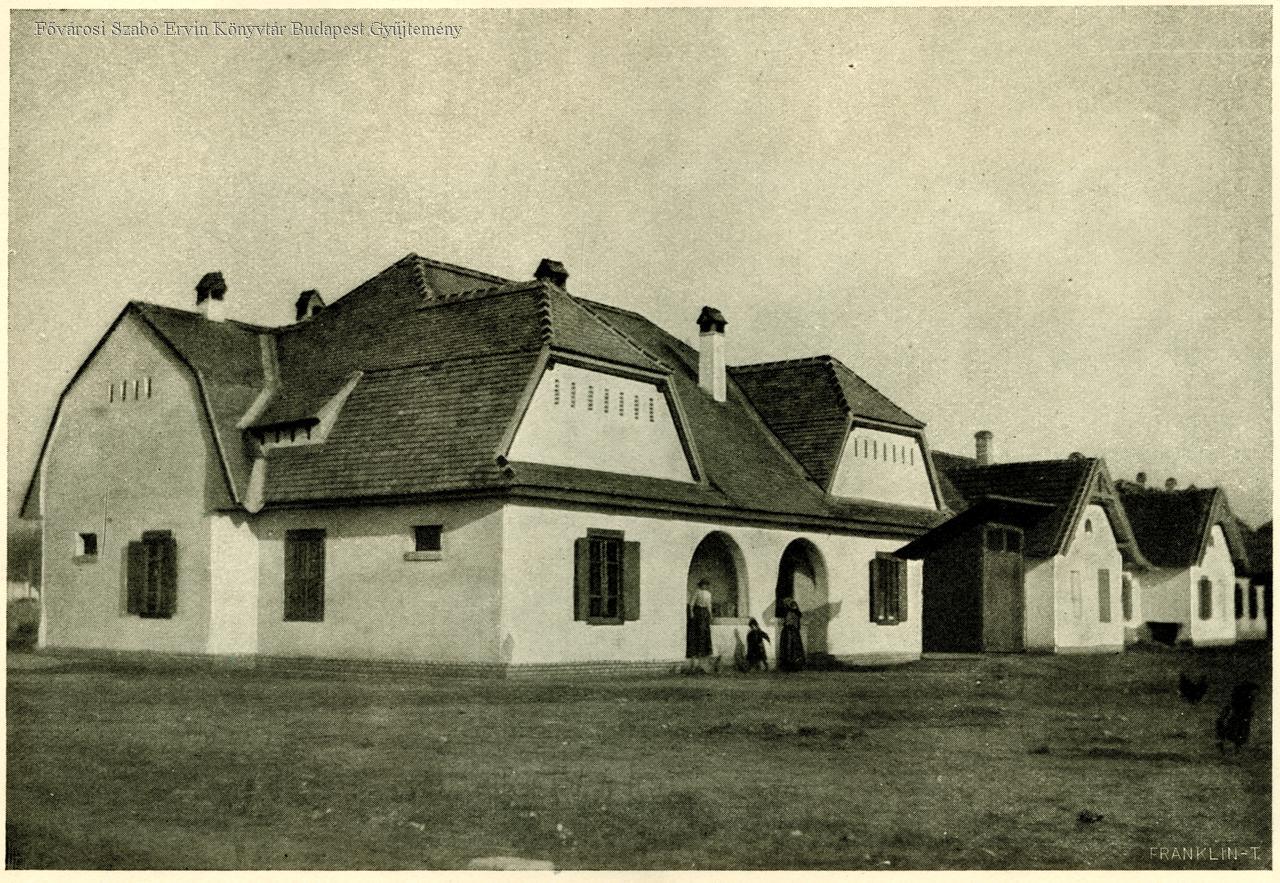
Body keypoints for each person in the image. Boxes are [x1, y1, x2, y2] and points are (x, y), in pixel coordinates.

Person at [687, 579, 714, 658]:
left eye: (706, 585)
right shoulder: (697, 592)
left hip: (705, 613)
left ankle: (704, 652)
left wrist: (711, 615)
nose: (704, 586)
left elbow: (709, 605)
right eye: (703, 584)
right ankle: (695, 652)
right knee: (697, 631)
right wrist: (691, 613)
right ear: (700, 585)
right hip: (697, 612)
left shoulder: (708, 594)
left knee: (704, 631)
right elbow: (692, 603)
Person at [778, 596, 805, 672]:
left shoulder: (796, 613)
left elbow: (795, 622)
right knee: (788, 648)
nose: (794, 607)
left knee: (794, 649)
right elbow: (786, 622)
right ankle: (788, 666)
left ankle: (795, 666)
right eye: (792, 605)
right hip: (788, 632)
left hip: (793, 632)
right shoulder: (788, 612)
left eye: (795, 605)